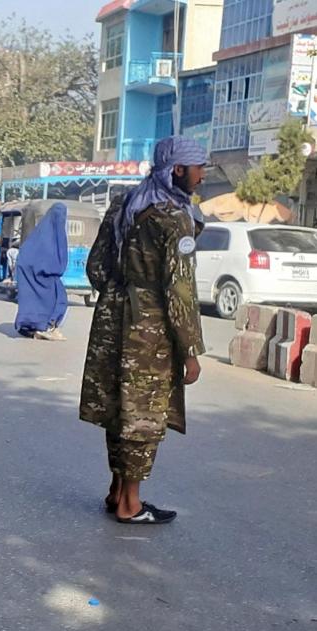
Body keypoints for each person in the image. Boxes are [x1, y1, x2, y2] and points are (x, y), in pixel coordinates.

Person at [80, 137, 207, 525]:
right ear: (178, 170)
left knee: (118, 408)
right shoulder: (174, 217)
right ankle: (130, 504)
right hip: (149, 327)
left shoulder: (124, 204)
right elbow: (180, 288)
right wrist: (190, 350)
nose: (202, 175)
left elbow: (96, 268)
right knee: (144, 413)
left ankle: (116, 489)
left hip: (111, 320)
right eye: (198, 167)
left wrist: (120, 296)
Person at [13, 203, 69, 341]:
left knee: (33, 300)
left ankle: (35, 327)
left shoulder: (39, 234)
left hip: (31, 274)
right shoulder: (55, 235)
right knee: (58, 300)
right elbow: (56, 262)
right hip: (46, 275)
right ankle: (47, 327)